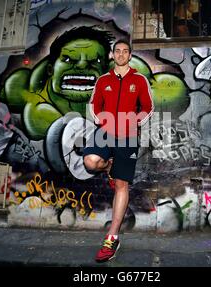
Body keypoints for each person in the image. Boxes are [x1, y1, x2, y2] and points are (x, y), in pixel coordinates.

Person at [83, 39, 154, 263]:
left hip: (128, 135)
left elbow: (148, 107)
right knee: (90, 162)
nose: (121, 54)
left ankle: (112, 238)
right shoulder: (103, 81)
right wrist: (104, 122)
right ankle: (108, 165)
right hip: (105, 131)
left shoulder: (139, 80)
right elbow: (95, 105)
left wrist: (135, 121)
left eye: (125, 51)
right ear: (112, 56)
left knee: (122, 185)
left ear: (130, 55)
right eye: (118, 51)